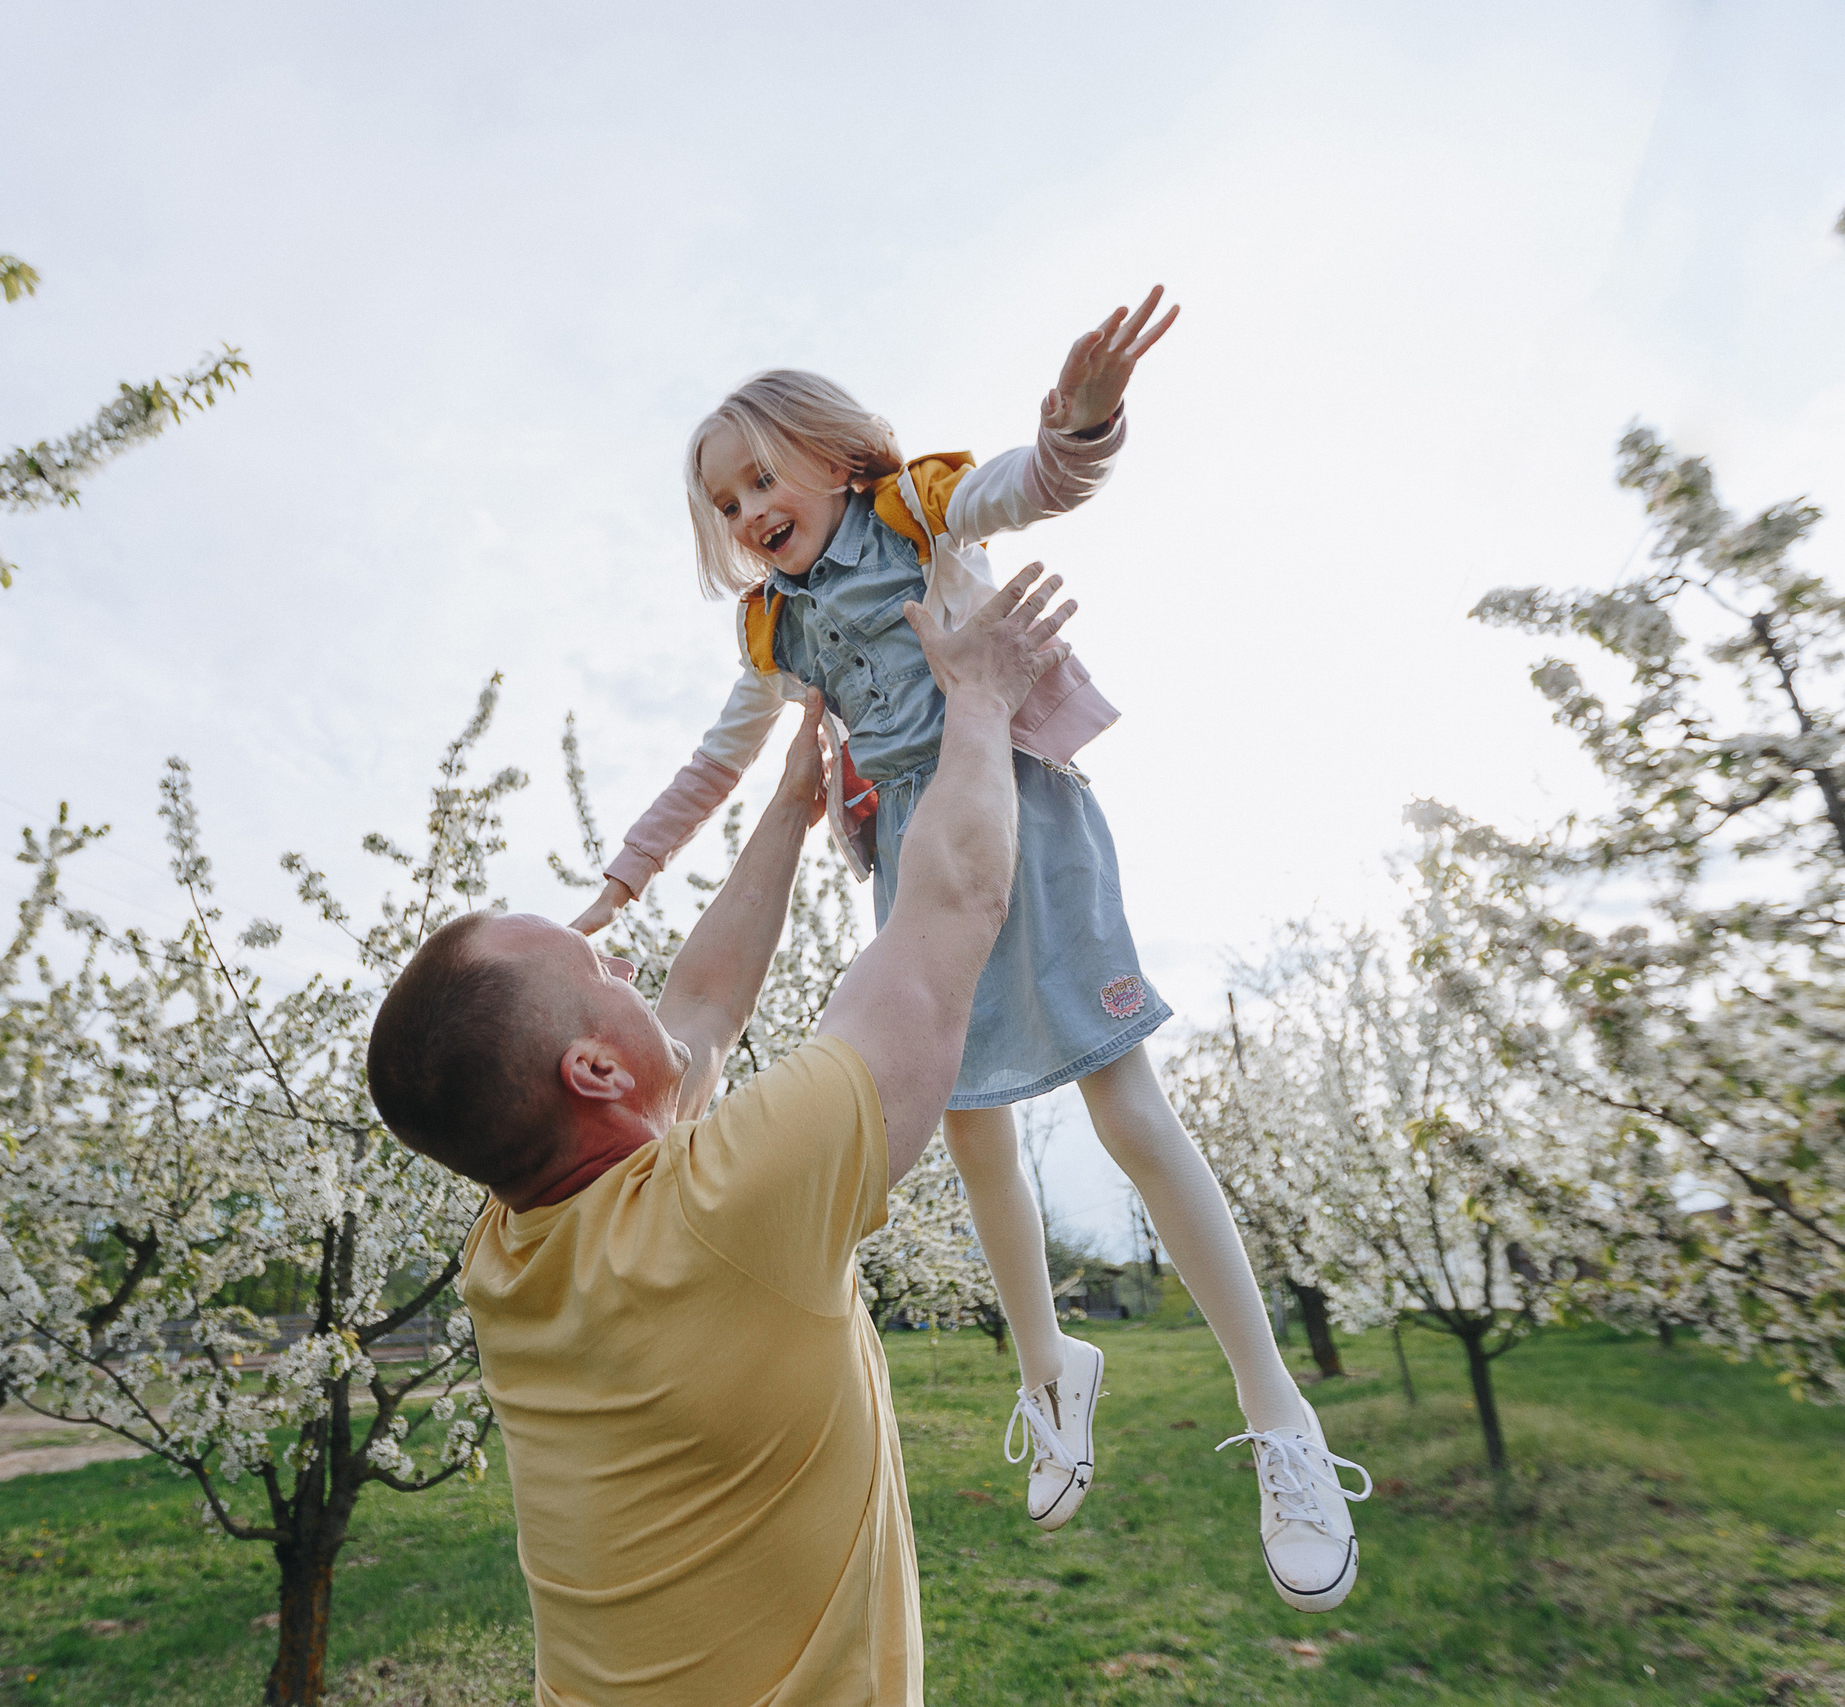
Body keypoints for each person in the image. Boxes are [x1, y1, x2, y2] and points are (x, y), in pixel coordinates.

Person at [565, 290, 1370, 1611]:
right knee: (970, 1119)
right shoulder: (776, 628)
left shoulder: (920, 511)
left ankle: (1278, 1411)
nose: (748, 508)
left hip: (1028, 826)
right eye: (723, 501)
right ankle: (1052, 1367)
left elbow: (1040, 484)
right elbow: (719, 760)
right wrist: (624, 872)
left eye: (763, 474)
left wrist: (1086, 417)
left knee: (1126, 1101)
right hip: (912, 865)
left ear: (834, 454)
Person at [369, 569, 1093, 1703]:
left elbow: (699, 1011)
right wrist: (982, 698)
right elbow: (952, 906)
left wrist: (791, 806)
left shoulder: (510, 1254)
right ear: (593, 1070)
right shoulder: (731, 1205)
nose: (629, 971)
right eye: (602, 968)